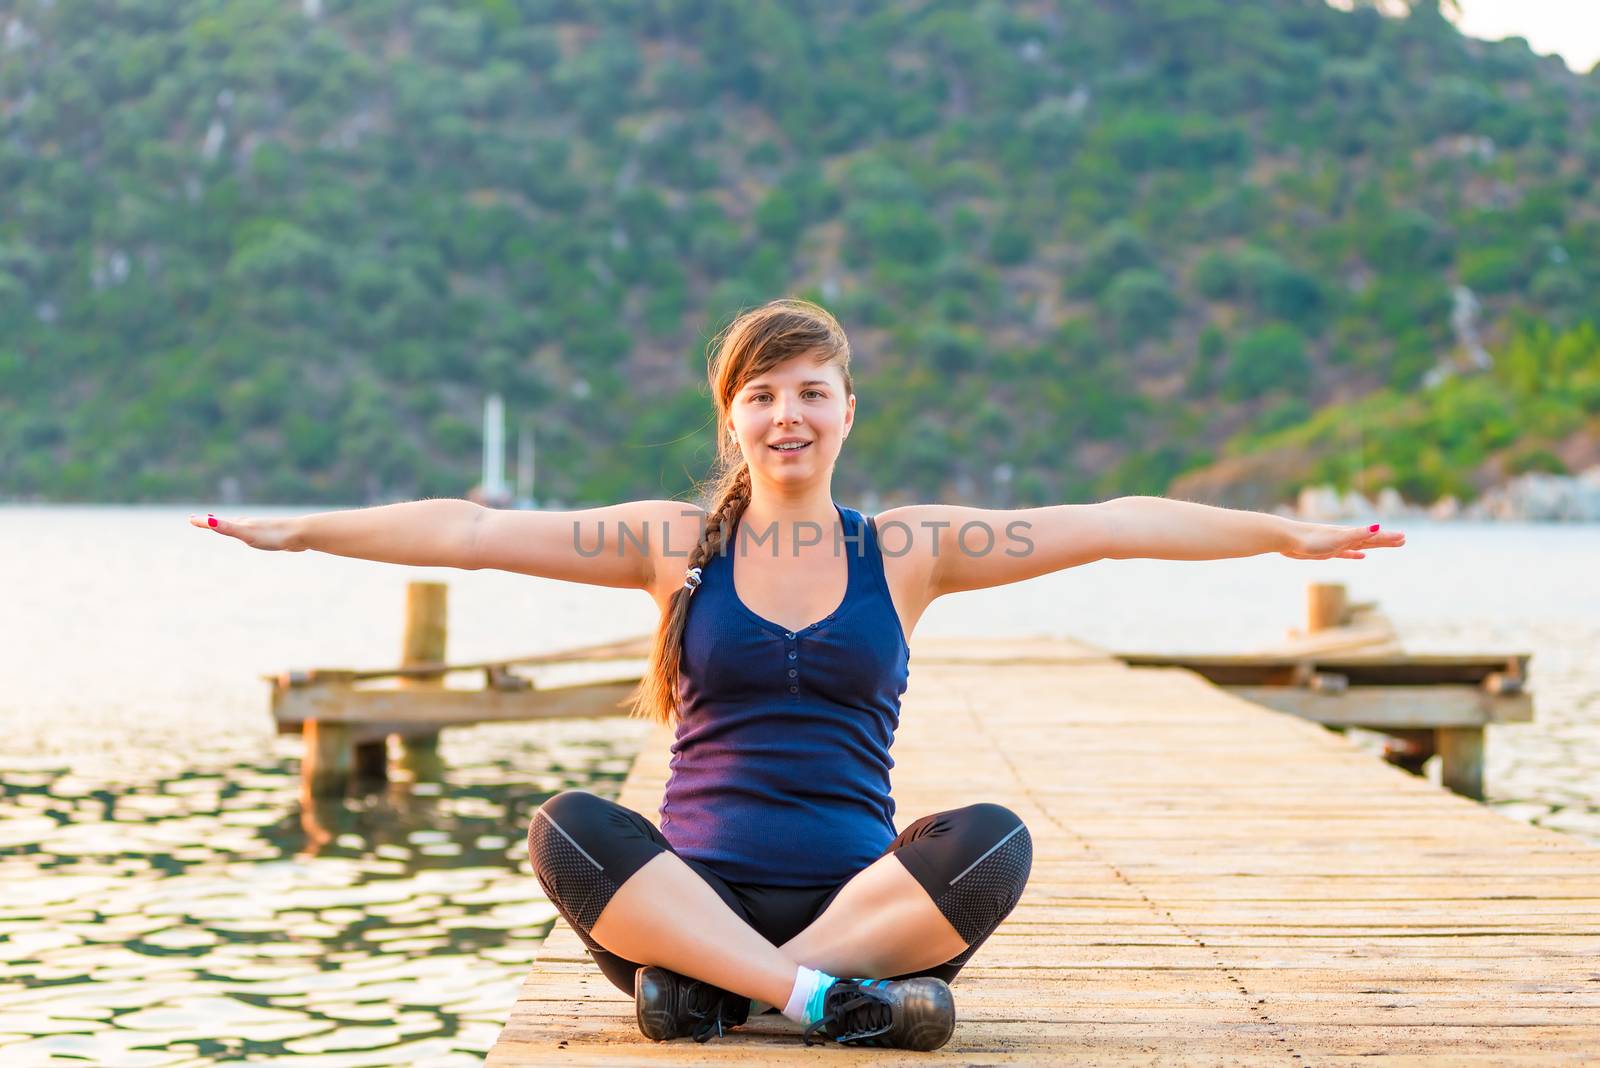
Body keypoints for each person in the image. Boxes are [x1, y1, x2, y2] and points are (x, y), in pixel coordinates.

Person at [190, 297, 1405, 1050]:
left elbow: (1107, 521)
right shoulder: (670, 543)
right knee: (566, 826)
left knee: (992, 838)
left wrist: (1282, 534)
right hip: (686, 903)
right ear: (733, 419)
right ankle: (809, 1004)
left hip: (869, 910)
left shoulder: (914, 550)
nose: (787, 415)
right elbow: (465, 531)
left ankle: (733, 1002)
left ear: (845, 412)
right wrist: (303, 528)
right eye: (761, 395)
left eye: (809, 393)